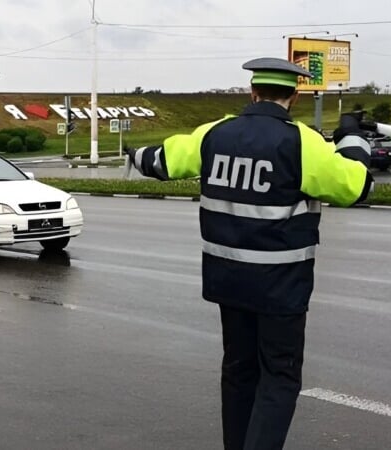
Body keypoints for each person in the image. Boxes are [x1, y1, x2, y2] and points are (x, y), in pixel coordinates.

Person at [126, 57, 375, 449]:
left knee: (239, 373)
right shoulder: (303, 142)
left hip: (227, 282)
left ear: (252, 91)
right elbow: (357, 186)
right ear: (294, 97)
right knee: (279, 378)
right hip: (281, 288)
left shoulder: (215, 133)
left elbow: (160, 161)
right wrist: (353, 140)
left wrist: (134, 152)